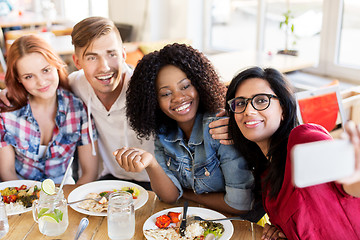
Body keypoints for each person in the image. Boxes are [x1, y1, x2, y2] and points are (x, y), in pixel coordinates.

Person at [0, 17, 231, 190]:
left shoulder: (148, 86)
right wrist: (10, 92)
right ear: (77, 62)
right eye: (92, 57)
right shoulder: (74, 85)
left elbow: (194, 98)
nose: (104, 67)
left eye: (111, 54)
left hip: (159, 184)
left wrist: (225, 118)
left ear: (123, 54)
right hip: (106, 182)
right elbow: (41, 86)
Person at [114, 43, 254, 215]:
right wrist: (151, 163)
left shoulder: (220, 128)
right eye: (166, 94)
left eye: (185, 86)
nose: (179, 98)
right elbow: (170, 197)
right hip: (201, 221)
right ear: (153, 101)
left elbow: (240, 206)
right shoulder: (164, 132)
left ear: (199, 83)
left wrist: (188, 195)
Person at [225, 66, 360, 239]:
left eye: (260, 100)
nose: (248, 111)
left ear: (283, 109)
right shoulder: (267, 177)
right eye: (240, 103)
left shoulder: (304, 139)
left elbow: (350, 186)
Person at [0, 35, 98, 184]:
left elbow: (90, 172)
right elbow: (7, 173)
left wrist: (68, 202)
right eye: (29, 77)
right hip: (20, 192)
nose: (41, 82)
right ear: (18, 79)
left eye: (46, 70)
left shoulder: (77, 108)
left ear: (56, 64)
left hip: (64, 192)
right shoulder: (7, 113)